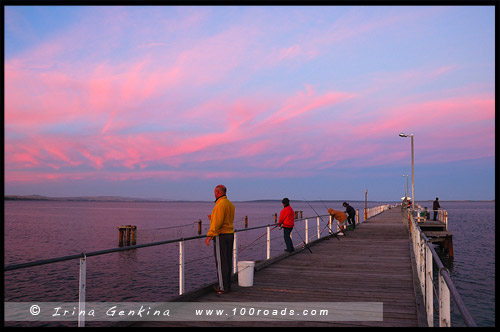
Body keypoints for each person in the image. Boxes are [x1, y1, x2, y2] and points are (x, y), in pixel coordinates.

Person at [205, 185, 235, 294]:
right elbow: (225, 219)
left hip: (221, 236)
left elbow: (217, 223)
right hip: (230, 234)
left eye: (214, 192)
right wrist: (213, 217)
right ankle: (228, 285)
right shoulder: (230, 204)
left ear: (218, 192)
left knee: (221, 262)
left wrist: (209, 235)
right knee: (227, 260)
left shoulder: (219, 205)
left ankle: (222, 287)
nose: (214, 194)